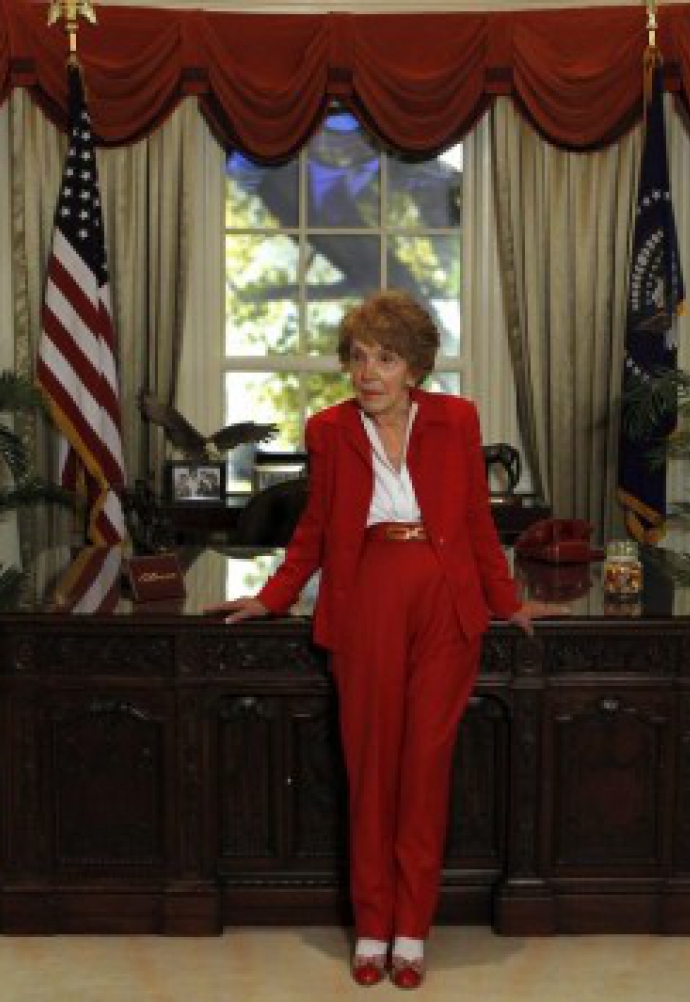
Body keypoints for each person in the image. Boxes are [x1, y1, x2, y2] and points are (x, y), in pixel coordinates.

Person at [207, 290, 560, 989]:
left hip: (445, 602)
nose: (368, 373)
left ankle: (411, 929)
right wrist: (273, 596)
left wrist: (507, 601)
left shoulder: (457, 420)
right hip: (367, 597)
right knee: (371, 769)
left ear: (415, 368)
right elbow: (314, 530)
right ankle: (373, 927)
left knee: (424, 768)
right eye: (360, 357)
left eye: (386, 359)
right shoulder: (329, 429)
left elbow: (476, 521)